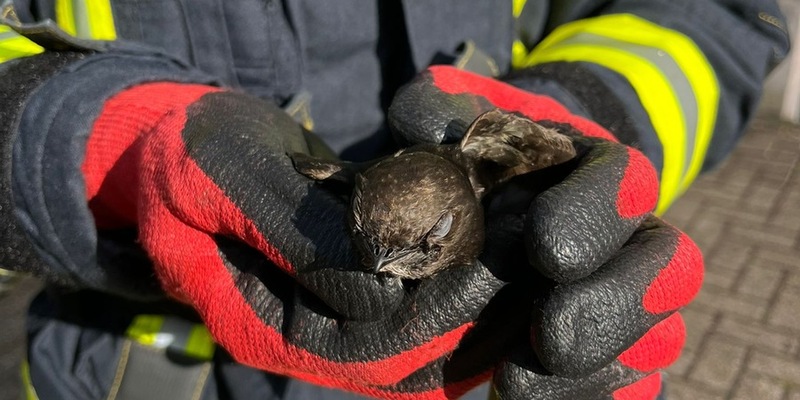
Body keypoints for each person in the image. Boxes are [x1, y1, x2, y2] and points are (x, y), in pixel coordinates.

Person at [0, 0, 788, 399]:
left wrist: (577, 125)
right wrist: (87, 139)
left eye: (420, 246)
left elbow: (715, 14)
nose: (383, 272)